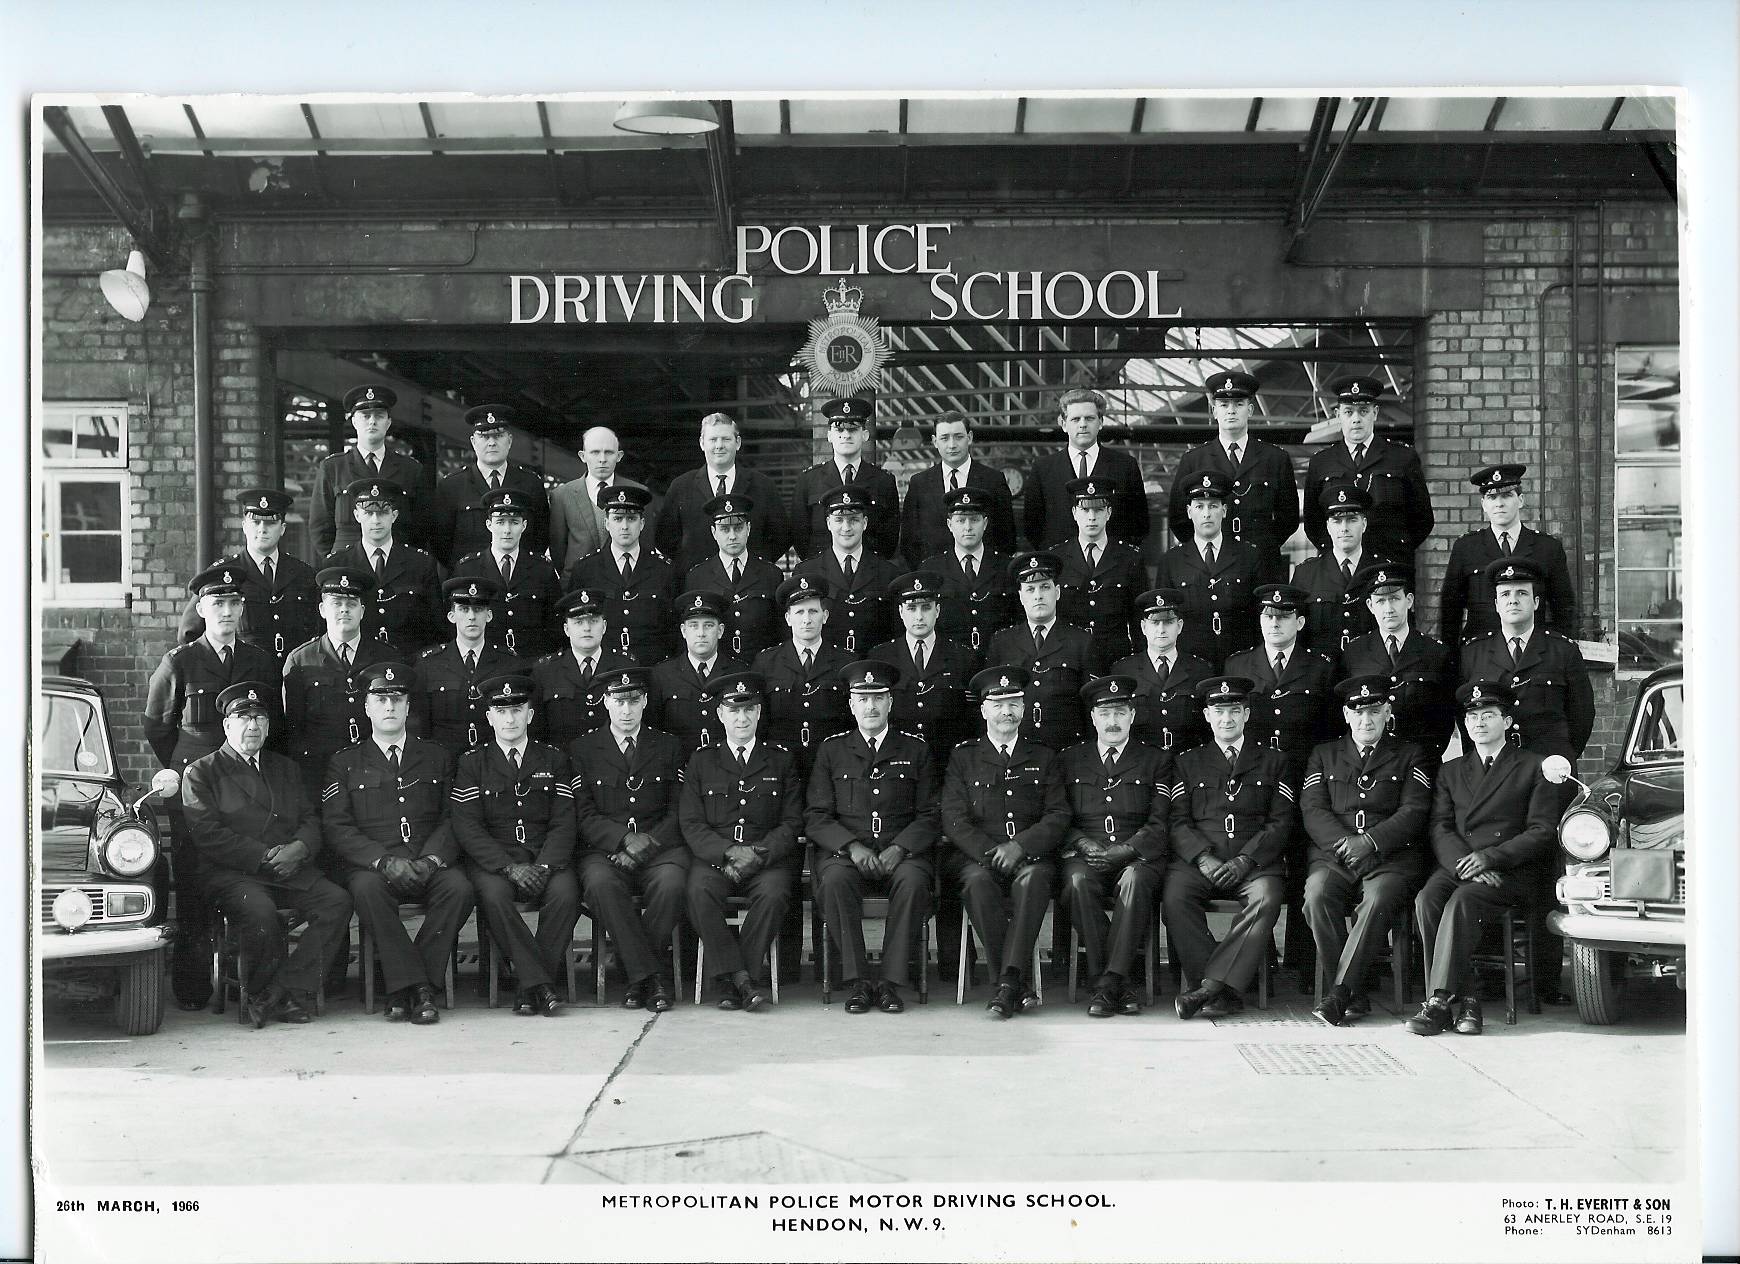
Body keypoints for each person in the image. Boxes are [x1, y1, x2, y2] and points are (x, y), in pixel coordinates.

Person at [145, 562, 285, 1009]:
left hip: (244, 788)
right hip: (195, 789)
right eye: (217, 603)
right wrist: (186, 768)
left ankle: (248, 980)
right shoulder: (180, 661)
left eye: (233, 603)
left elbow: (269, 722)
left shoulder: (259, 660)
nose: (226, 611)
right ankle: (191, 984)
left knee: (242, 874)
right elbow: (158, 726)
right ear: (201, 608)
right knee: (191, 883)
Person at [1458, 555, 1595, 1005]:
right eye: (1504, 595)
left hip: (1545, 774)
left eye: (1521, 593)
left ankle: (1543, 981)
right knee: (1490, 860)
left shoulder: (1560, 650)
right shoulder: (1476, 652)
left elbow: (1581, 716)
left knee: (1545, 870)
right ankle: (1488, 978)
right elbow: (1467, 720)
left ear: (1536, 601)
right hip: (1494, 777)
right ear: (1494, 603)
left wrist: (1557, 761)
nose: (1512, 600)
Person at [180, 682, 352, 1027]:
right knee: (261, 913)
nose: (253, 726)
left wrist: (299, 849)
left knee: (337, 901)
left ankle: (282, 992)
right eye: (244, 718)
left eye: (259, 718)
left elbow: (310, 818)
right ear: (227, 725)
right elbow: (208, 834)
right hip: (234, 873)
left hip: (289, 867)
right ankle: (262, 992)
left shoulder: (285, 768)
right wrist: (264, 856)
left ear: (269, 726)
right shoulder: (202, 771)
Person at [321, 662, 474, 1026]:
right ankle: (420, 989)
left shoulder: (436, 756)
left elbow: (454, 817)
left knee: (460, 888)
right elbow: (337, 826)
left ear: (408, 707)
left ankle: (403, 987)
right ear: (367, 708)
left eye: (397, 699)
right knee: (366, 890)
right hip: (376, 867)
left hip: (426, 861)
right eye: (380, 699)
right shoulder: (344, 762)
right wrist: (382, 860)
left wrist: (433, 860)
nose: (389, 707)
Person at [1408, 681, 1560, 1037]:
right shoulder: (1451, 770)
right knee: (1427, 899)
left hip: (1510, 870)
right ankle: (1469, 998)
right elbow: (1440, 826)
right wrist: (1467, 862)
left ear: (1507, 722)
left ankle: (1439, 1000)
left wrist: (1490, 858)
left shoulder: (1533, 766)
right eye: (1473, 716)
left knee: (1462, 900)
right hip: (1462, 865)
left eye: (1488, 715)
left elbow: (1541, 830)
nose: (1479, 723)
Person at [805, 660, 939, 1015]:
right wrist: (850, 847)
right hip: (848, 855)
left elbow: (930, 814)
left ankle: (891, 983)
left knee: (913, 882)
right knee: (833, 881)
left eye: (878, 697)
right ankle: (859, 981)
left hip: (901, 854)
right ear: (851, 704)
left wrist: (901, 847)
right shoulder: (831, 751)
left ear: (890, 702)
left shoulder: (916, 750)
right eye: (862, 699)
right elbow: (816, 816)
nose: (871, 706)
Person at [1300, 676, 1433, 1027]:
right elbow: (1313, 809)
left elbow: (1414, 811)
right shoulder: (1324, 754)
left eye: (1375, 712)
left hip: (1389, 858)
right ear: (1346, 715)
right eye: (1358, 714)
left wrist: (1371, 842)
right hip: (1336, 856)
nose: (1366, 720)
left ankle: (1341, 991)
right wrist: (1346, 846)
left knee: (1377, 898)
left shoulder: (1409, 754)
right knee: (1316, 895)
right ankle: (1353, 991)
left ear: (1387, 713)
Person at [1225, 583, 1339, 981]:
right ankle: (1261, 958)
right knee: (1260, 866)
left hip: (1304, 779)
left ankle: (1307, 964)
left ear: (1300, 621)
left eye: (1284, 616)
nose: (1275, 622)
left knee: (1306, 864)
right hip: (1256, 784)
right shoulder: (1239, 666)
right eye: (1268, 616)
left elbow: (1330, 733)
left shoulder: (1321, 666)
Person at [941, 667, 1069, 1019]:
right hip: (976, 859)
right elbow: (953, 818)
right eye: (997, 704)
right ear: (983, 710)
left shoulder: (1044, 756)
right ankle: (1015, 982)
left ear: (1025, 709)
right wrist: (990, 853)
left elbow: (1057, 814)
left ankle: (1006, 983)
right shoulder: (963, 757)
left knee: (1034, 880)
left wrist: (1021, 847)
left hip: (1031, 858)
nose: (1006, 711)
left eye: (1013, 703)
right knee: (978, 883)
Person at [1166, 677, 1296, 1020]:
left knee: (1267, 897)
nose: (1227, 719)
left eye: (1235, 711)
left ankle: (1209, 990)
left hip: (1254, 863)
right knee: (1175, 898)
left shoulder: (1274, 760)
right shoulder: (1186, 762)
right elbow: (1176, 821)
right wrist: (1203, 858)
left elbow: (1281, 821)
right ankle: (1220, 987)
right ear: (1207, 716)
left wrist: (1245, 859)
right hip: (1200, 862)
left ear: (1247, 714)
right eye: (1219, 711)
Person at [450, 674, 580, 1017]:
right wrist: (507, 867)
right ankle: (542, 985)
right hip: (497, 862)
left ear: (530, 715)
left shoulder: (553, 759)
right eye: (501, 711)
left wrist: (546, 865)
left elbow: (565, 819)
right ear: (489, 717)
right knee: (493, 896)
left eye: (517, 710)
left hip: (543, 859)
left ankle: (528, 986)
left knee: (566, 893)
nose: (510, 719)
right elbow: (468, 825)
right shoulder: (471, 763)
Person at [681, 671, 804, 1011]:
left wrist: (758, 853)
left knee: (776, 893)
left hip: (765, 859)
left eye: (749, 710)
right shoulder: (702, 760)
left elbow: (792, 821)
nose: (742, 718)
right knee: (697, 891)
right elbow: (691, 822)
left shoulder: (780, 758)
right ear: (720, 714)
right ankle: (742, 980)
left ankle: (732, 978)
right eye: (733, 711)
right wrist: (727, 852)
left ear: (759, 713)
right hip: (716, 860)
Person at [570, 667, 689, 1013]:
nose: (626, 710)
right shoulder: (583, 748)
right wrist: (622, 840)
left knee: (672, 883)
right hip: (606, 851)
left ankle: (636, 977)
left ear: (645, 701)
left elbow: (679, 808)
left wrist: (647, 843)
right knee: (600, 884)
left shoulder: (668, 745)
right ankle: (651, 978)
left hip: (660, 848)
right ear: (605, 702)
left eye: (634, 700)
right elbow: (583, 813)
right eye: (619, 701)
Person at [1059, 675, 1171, 1018]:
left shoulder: (1156, 760)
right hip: (1085, 854)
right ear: (1092, 717)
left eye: (1120, 712)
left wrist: (1128, 849)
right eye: (1105, 713)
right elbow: (1057, 815)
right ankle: (1118, 978)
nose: (1112, 721)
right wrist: (1080, 842)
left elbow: (1161, 820)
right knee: (1077, 884)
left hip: (1136, 856)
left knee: (1135, 881)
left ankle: (1107, 982)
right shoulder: (1070, 759)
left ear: (1132, 716)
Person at [281, 566, 400, 801]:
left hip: (375, 769)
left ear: (362, 611)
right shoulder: (300, 660)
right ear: (323, 609)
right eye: (336, 603)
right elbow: (294, 728)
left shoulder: (386, 657)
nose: (344, 609)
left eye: (352, 603)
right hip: (320, 771)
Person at [1167, 371, 1298, 581]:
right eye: (1224, 405)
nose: (1231, 411)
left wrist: (1263, 546)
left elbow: (1289, 518)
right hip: (1213, 567)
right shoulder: (1193, 460)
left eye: (1238, 404)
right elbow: (1179, 518)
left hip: (1263, 566)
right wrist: (1207, 547)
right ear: (1214, 411)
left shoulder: (1275, 458)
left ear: (1251, 410)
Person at [1438, 464, 1577, 653]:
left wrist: (1559, 655)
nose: (1499, 503)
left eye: (1506, 495)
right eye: (1492, 497)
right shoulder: (1466, 548)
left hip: (1534, 653)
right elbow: (1450, 612)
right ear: (1484, 505)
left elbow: (1564, 609)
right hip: (1480, 654)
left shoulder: (1547, 548)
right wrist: (1451, 661)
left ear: (1520, 500)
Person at [176, 487, 321, 663]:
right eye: (255, 522)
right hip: (243, 678)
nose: (262, 529)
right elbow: (189, 633)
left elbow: (320, 631)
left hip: (294, 677)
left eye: (270, 523)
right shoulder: (222, 574)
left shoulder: (303, 574)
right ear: (244, 526)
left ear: (282, 528)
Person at [1301, 376, 1434, 565]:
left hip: (1390, 564)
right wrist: (1335, 554)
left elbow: (1423, 518)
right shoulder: (1321, 462)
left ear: (1375, 413)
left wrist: (1398, 551)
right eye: (1349, 412)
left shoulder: (1402, 457)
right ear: (1338, 415)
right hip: (1341, 567)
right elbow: (1313, 520)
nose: (1356, 419)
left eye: (1363, 411)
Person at [983, 551, 1106, 753]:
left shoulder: (1082, 642)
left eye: (1045, 587)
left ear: (1057, 592)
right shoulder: (1002, 642)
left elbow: (1091, 708)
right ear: (1021, 596)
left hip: (1067, 751)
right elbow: (990, 707)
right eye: (1030, 589)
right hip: (1018, 753)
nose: (1038, 595)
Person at [1339, 562, 1456, 766]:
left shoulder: (1436, 652)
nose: (1389, 608)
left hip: (1421, 762)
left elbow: (1444, 718)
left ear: (1409, 601)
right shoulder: (1353, 653)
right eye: (1381, 601)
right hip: (1369, 764)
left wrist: (1426, 755)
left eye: (1394, 598)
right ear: (1370, 606)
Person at [657, 411, 793, 577]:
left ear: (738, 442)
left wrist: (756, 563)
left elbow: (782, 535)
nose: (719, 445)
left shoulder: (763, 485)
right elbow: (664, 538)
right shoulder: (681, 487)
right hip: (698, 587)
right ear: (702, 443)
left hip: (749, 582)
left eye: (726, 439)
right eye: (713, 440)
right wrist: (690, 565)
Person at [1153, 469, 1262, 670]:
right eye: (1199, 506)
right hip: (1190, 665)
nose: (1206, 513)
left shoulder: (1249, 556)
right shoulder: (1172, 561)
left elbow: (1259, 616)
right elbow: (1163, 618)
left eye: (1213, 506)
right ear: (1189, 511)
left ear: (1224, 510)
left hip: (1240, 661)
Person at [324, 478, 445, 657]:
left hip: (409, 662)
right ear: (357, 515)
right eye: (368, 513)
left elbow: (437, 626)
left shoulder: (421, 564)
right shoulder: (338, 564)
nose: (376, 520)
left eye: (382, 513)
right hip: (359, 663)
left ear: (394, 516)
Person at [1023, 387, 1150, 553]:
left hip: (1112, 566)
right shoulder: (1043, 468)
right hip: (1060, 567)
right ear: (1063, 424)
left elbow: (1139, 523)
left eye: (1089, 418)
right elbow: (1032, 525)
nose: (1083, 424)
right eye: (1075, 419)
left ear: (1101, 422)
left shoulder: (1125, 466)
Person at [750, 575, 852, 780]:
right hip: (781, 769)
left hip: (834, 768)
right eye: (799, 612)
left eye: (813, 611)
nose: (806, 619)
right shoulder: (766, 662)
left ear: (825, 615)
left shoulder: (845, 662)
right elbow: (759, 723)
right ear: (788, 618)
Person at [563, 483, 679, 665]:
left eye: (631, 519)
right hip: (603, 670)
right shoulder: (585, 570)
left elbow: (674, 629)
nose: (624, 526)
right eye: (617, 519)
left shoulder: (664, 570)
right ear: (607, 523)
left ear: (642, 523)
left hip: (652, 668)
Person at [310, 384, 430, 557]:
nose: (372, 421)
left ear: (388, 422)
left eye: (379, 416)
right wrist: (336, 562)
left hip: (398, 564)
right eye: (365, 416)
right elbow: (320, 526)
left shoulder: (410, 469)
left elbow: (422, 526)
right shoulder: (333, 468)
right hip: (348, 566)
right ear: (353, 421)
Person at [869, 571, 975, 762]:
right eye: (911, 609)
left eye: (926, 608)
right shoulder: (881, 657)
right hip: (896, 761)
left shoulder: (962, 656)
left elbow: (971, 720)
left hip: (946, 761)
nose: (919, 616)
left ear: (938, 611)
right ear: (901, 612)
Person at [450, 487, 563, 659]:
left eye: (514, 522)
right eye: (500, 522)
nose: (507, 530)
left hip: (531, 662)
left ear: (524, 526)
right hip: (487, 663)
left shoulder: (542, 569)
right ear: (489, 525)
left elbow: (556, 624)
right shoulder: (467, 569)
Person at [414, 577, 521, 758]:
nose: (471, 616)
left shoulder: (509, 664)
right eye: (464, 609)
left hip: (492, 762)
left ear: (489, 615)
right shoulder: (428, 664)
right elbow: (421, 725)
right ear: (451, 616)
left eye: (478, 610)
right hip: (444, 760)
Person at [433, 403, 550, 567]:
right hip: (470, 582)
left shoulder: (531, 484)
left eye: (498, 436)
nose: (492, 443)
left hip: (519, 580)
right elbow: (440, 544)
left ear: (509, 440)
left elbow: (541, 538)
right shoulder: (451, 486)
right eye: (484, 436)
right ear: (473, 441)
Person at [898, 409, 1017, 568]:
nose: (952, 445)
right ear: (934, 442)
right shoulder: (920, 483)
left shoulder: (993, 481)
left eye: (958, 437)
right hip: (935, 579)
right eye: (944, 438)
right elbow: (909, 541)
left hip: (981, 578)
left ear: (970, 437)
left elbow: (1006, 539)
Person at [792, 486, 901, 656]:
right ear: (828, 523)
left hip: (871, 669)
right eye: (839, 520)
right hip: (827, 669)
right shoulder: (806, 572)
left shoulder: (888, 573)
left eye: (853, 520)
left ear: (864, 523)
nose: (846, 527)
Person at [529, 587, 639, 750]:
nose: (587, 628)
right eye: (578, 622)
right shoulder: (545, 671)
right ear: (566, 629)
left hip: (612, 763)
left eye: (593, 621)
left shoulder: (625, 666)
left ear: (604, 626)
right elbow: (536, 730)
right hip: (564, 763)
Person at [1053, 476, 1147, 663]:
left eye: (1099, 509)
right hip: (1070, 658)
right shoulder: (1057, 558)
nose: (1092, 517)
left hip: (1116, 658)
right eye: (1085, 509)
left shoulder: (1130, 558)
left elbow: (1139, 621)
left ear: (1109, 512)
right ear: (1074, 512)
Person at [920, 485, 1017, 665]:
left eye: (974, 520)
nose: (968, 527)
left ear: (985, 523)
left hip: (997, 662)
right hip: (949, 664)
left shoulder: (1006, 567)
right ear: (950, 525)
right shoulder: (931, 569)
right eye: (961, 520)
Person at [795, 395, 901, 559]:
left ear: (865, 435)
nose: (846, 435)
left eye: (853, 429)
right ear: (829, 435)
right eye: (839, 429)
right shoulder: (808, 481)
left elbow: (890, 539)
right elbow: (800, 537)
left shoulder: (884, 481)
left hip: (870, 574)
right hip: (822, 573)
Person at [1113, 587, 1213, 754]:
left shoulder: (1201, 671)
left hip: (1188, 762)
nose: (1161, 629)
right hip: (1141, 764)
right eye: (1155, 622)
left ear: (1179, 626)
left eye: (1168, 622)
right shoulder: (1123, 671)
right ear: (1144, 627)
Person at [684, 493, 783, 661]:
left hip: (762, 667)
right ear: (714, 532)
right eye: (724, 529)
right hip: (718, 669)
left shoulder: (771, 574)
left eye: (738, 528)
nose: (732, 536)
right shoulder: (697, 577)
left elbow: (782, 631)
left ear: (748, 529)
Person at [547, 425, 659, 576]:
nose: (602, 459)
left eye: (609, 452)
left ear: (619, 456)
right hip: (578, 585)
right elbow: (558, 550)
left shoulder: (639, 493)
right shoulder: (561, 495)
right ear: (582, 456)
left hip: (625, 583)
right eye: (595, 452)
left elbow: (646, 544)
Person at [648, 590, 745, 762]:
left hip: (726, 767)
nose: (701, 633)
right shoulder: (662, 675)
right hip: (680, 766)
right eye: (694, 625)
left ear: (720, 631)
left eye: (708, 625)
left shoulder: (739, 672)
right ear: (684, 631)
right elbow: (654, 730)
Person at [1291, 482, 1379, 658]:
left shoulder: (1381, 571)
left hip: (1368, 670)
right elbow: (1296, 635)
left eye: (1352, 520)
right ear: (1328, 527)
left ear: (1364, 524)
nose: (1344, 528)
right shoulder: (1306, 574)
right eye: (1337, 521)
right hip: (1321, 674)